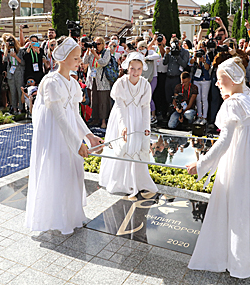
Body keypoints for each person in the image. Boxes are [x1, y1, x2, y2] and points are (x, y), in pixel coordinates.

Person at [186, 57, 250, 279]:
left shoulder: (233, 103)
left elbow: (224, 141)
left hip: (240, 163)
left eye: (219, 79)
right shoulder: (246, 99)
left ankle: (236, 259)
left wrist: (201, 163)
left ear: (233, 80)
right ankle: (248, 255)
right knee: (247, 204)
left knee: (238, 206)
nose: (216, 84)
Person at [25, 37, 104, 234]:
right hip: (55, 135)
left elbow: (73, 113)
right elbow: (60, 117)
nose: (80, 61)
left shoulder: (73, 83)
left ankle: (70, 215)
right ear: (63, 58)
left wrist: (89, 136)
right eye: (76, 58)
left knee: (72, 171)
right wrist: (78, 143)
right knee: (57, 171)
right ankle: (53, 218)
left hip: (68, 133)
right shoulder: (51, 82)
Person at [99, 52, 158, 197]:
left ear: (142, 68)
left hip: (137, 118)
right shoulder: (121, 83)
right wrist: (123, 125)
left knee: (136, 145)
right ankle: (119, 181)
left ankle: (138, 180)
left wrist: (146, 126)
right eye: (133, 69)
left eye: (138, 69)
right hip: (122, 117)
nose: (135, 72)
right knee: (123, 145)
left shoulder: (145, 84)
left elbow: (145, 107)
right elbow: (119, 106)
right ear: (127, 68)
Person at [83, 36, 111, 129]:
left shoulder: (106, 52)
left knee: (103, 101)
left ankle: (103, 121)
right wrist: (88, 52)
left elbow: (103, 62)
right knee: (93, 100)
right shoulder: (91, 52)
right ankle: (95, 119)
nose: (97, 46)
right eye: (96, 43)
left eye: (99, 44)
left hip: (102, 81)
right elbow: (84, 61)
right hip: (92, 80)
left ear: (103, 44)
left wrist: (95, 54)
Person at [2, 33, 25, 114]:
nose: (11, 43)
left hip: (19, 72)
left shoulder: (21, 51)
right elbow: (4, 60)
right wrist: (6, 48)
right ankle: (14, 108)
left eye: (12, 41)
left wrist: (15, 56)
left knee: (19, 91)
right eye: (9, 42)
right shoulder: (7, 51)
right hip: (11, 74)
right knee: (12, 92)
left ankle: (21, 109)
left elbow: (23, 63)